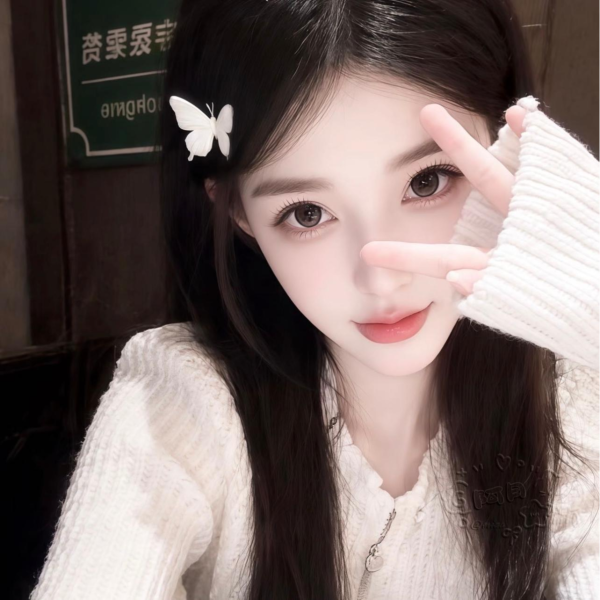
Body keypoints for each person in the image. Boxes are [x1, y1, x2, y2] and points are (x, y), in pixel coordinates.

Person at [30, 1, 600, 599]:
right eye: (306, 214)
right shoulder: (183, 403)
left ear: (509, 149)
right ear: (238, 213)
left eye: (427, 181)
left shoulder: (568, 398)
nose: (381, 278)